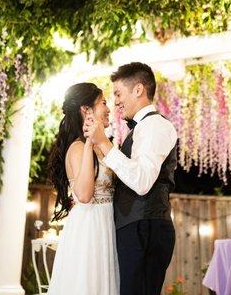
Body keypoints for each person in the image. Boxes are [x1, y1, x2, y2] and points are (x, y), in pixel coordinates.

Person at [84, 62, 178, 295]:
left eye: (118, 93)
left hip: (145, 228)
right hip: (134, 229)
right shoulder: (140, 129)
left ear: (138, 90)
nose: (115, 102)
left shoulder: (156, 126)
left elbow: (142, 181)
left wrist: (105, 144)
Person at [47, 82, 119, 295]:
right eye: (103, 103)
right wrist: (89, 142)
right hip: (90, 227)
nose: (108, 109)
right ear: (86, 110)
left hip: (107, 223)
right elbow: (85, 195)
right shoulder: (78, 148)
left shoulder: (105, 146)